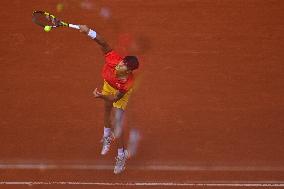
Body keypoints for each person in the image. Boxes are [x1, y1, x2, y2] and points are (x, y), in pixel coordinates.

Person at [79, 25, 139, 174]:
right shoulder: (114, 59)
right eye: (122, 62)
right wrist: (88, 31)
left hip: (118, 93)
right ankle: (106, 136)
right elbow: (103, 43)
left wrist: (100, 96)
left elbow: (114, 98)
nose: (120, 65)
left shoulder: (127, 83)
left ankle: (121, 155)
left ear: (129, 71)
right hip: (109, 85)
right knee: (106, 111)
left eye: (124, 66)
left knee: (117, 125)